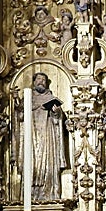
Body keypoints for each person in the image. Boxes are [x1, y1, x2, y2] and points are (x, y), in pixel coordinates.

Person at [24, 72, 68, 203]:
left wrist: (56, 112)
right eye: (38, 79)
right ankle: (31, 195)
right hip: (31, 137)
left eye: (43, 79)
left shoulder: (50, 98)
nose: (41, 81)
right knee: (32, 163)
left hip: (48, 136)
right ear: (34, 82)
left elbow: (58, 120)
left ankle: (49, 193)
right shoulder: (28, 99)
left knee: (48, 163)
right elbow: (20, 118)